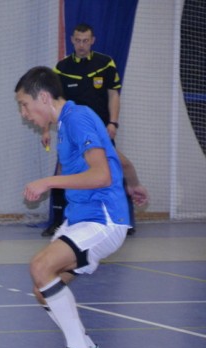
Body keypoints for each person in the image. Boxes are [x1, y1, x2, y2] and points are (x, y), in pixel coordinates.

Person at [15, 66, 147, 348]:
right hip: (81, 220)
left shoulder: (78, 118)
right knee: (42, 287)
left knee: (40, 266)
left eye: (24, 105)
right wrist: (133, 183)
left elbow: (101, 174)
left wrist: (47, 181)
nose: (24, 113)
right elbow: (118, 159)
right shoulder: (69, 124)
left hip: (103, 220)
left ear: (43, 97)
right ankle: (87, 347)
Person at [41, 23, 137, 236]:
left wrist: (113, 123)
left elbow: (114, 95)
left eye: (86, 40)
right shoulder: (62, 68)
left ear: (92, 40)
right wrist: (46, 130)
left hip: (100, 131)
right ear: (72, 40)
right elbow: (52, 102)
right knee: (61, 172)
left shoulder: (105, 63)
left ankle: (125, 220)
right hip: (72, 131)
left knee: (115, 168)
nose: (81, 45)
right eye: (77, 40)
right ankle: (57, 220)